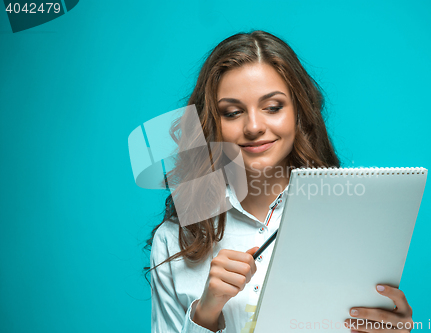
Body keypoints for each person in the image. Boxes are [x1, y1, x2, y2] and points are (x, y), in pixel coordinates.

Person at [143, 30, 414, 333]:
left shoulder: (353, 219)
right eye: (232, 112)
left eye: (272, 107)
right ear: (211, 124)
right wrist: (206, 313)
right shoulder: (174, 240)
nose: (254, 126)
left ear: (299, 112)